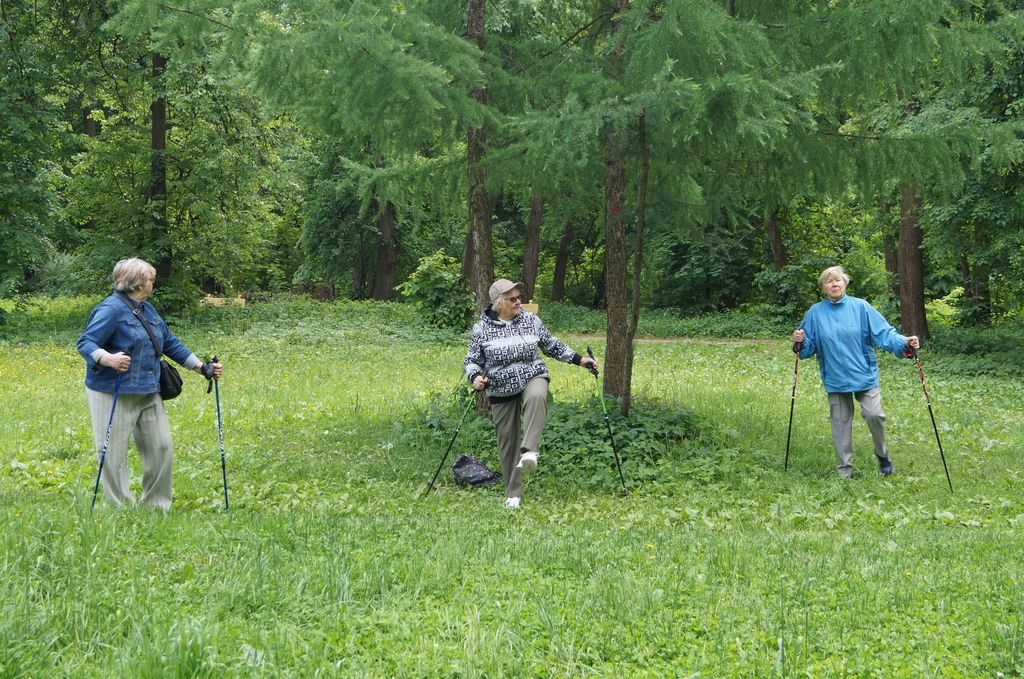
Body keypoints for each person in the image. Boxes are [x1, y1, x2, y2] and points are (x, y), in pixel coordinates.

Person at [77, 257, 223, 510]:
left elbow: (168, 342)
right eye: (151, 279)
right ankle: (119, 507)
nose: (153, 283)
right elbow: (86, 343)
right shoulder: (110, 310)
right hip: (113, 391)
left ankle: (155, 505)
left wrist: (201, 367)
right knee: (112, 453)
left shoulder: (147, 309)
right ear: (138, 283)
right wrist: (108, 358)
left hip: (148, 389)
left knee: (161, 446)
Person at [464, 279, 598, 509]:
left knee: (537, 395)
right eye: (513, 299)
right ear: (498, 304)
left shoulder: (530, 320)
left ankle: (530, 451)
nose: (519, 302)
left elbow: (551, 344)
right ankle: (513, 494)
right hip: (500, 386)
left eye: (519, 297)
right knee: (507, 440)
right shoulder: (482, 329)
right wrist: (475, 377)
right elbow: (472, 361)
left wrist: (580, 360)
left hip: (531, 374)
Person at [792, 265, 919, 479]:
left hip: (864, 374)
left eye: (838, 280)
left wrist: (905, 342)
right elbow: (806, 346)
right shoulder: (815, 313)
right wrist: (800, 341)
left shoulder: (861, 308)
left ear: (845, 283)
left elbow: (884, 334)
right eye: (829, 281)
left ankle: (883, 456)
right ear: (823, 288)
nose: (834, 284)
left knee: (874, 414)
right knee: (840, 424)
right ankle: (846, 470)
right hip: (835, 377)